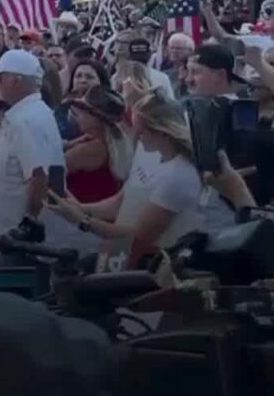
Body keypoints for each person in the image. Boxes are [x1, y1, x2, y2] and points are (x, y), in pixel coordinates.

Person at [49, 92, 211, 271]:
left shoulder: (179, 176)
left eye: (141, 132)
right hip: (118, 251)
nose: (136, 136)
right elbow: (121, 200)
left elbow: (138, 236)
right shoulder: (147, 151)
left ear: (162, 133)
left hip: (151, 266)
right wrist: (82, 208)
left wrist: (82, 221)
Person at [0, 49, 66, 261]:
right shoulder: (31, 113)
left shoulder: (26, 119)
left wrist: (28, 223)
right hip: (13, 233)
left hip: (17, 239)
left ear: (15, 80)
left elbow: (39, 176)